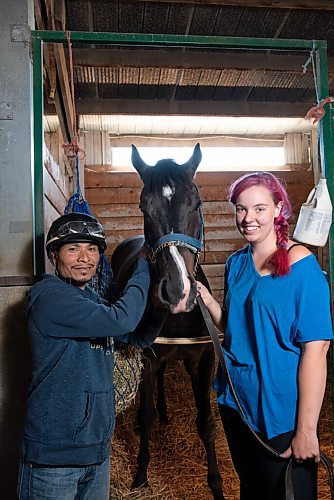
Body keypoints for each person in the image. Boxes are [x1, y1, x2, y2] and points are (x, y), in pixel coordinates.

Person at [197, 172, 333, 500]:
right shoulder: (236, 264)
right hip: (237, 404)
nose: (248, 219)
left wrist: (305, 430)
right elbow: (237, 328)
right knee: (252, 491)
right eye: (241, 210)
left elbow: (317, 350)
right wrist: (210, 301)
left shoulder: (302, 266)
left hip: (281, 411)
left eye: (259, 208)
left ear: (278, 209)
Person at [17, 212, 166, 500]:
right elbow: (122, 320)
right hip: (54, 458)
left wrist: (163, 304)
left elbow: (138, 337)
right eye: (73, 249)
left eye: (92, 249)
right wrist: (144, 268)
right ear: (54, 255)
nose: (84, 258)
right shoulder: (50, 298)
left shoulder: (91, 300)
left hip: (95, 451)